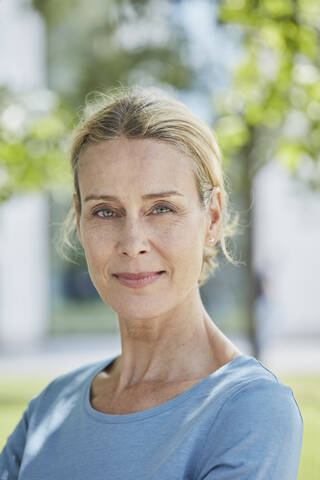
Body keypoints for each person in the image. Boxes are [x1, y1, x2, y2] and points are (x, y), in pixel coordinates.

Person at [0, 87, 303, 479]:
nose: (132, 243)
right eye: (105, 212)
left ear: (211, 218)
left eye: (162, 208)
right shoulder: (51, 406)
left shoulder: (249, 410)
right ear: (79, 220)